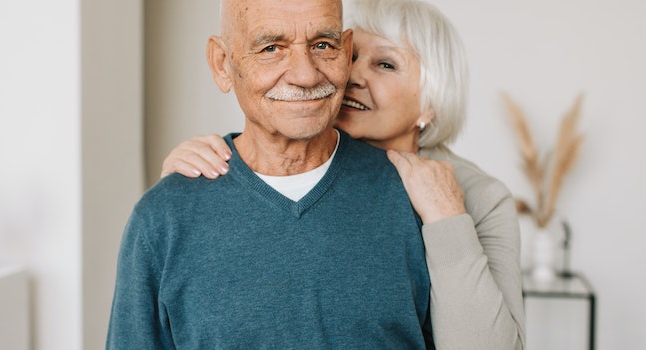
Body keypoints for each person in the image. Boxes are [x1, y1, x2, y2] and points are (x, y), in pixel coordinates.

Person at [160, 0, 526, 349]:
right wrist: (186, 186)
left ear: (431, 101)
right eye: (349, 57)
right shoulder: (286, 165)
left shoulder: (481, 196)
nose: (352, 76)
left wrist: (448, 219)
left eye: (385, 65)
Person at [107, 0, 435, 348]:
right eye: (271, 48)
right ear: (222, 64)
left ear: (346, 50)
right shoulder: (163, 218)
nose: (305, 75)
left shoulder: (418, 199)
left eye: (323, 45)